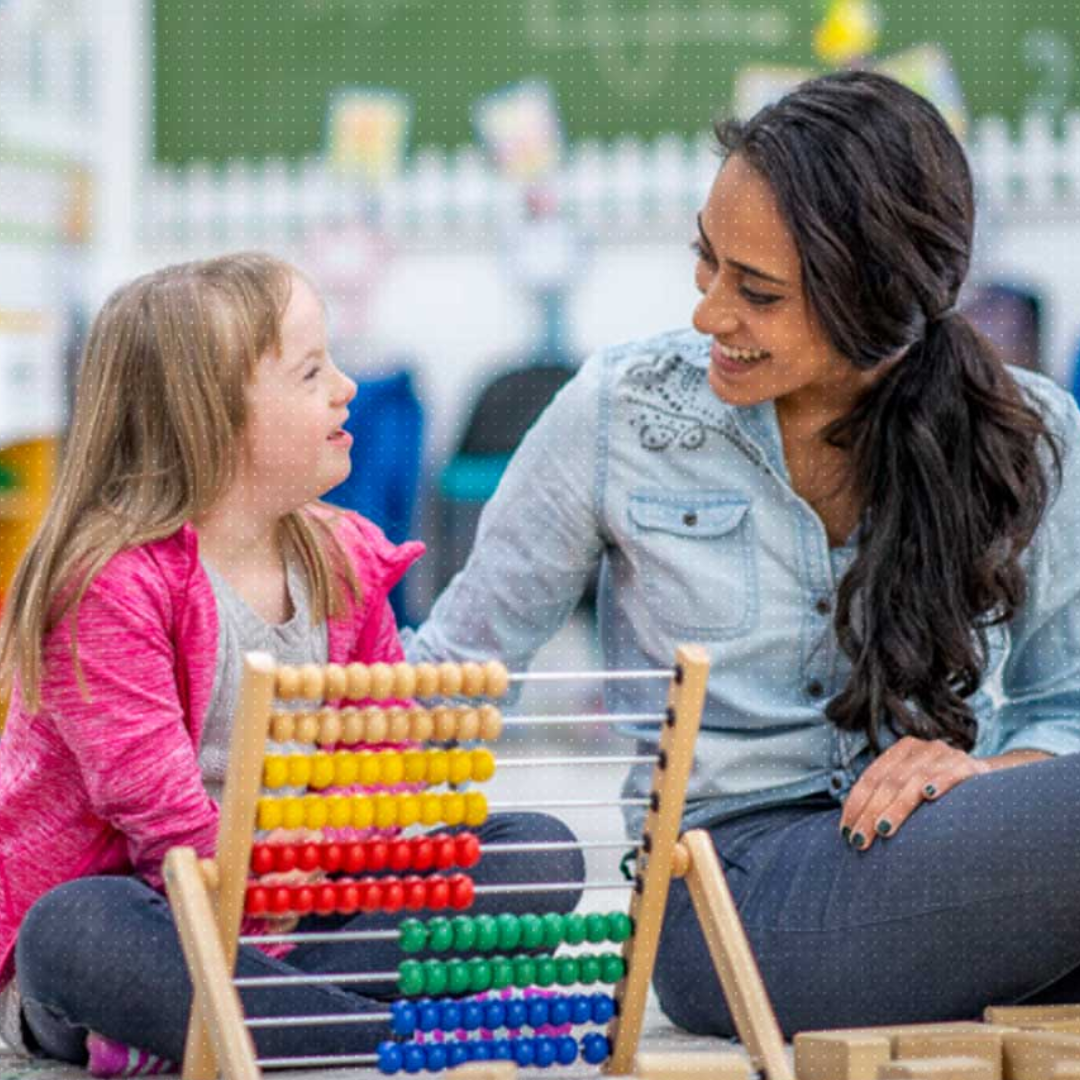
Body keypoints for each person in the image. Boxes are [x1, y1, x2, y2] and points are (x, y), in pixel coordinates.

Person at [405, 70, 1080, 1036]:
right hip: (728, 900)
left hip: (943, 871)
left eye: (756, 291)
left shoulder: (1031, 435)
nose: (710, 313)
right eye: (705, 262)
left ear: (879, 306)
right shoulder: (621, 416)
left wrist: (981, 778)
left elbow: (1065, 709)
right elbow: (459, 676)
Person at [0, 254, 583, 1073]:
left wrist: (317, 870)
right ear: (207, 416)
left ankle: (251, 1022)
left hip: (301, 910)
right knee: (70, 927)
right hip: (154, 914)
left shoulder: (344, 560)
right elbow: (159, 819)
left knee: (535, 854)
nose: (346, 388)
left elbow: (381, 760)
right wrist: (280, 886)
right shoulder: (109, 585)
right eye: (312, 373)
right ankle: (368, 1031)